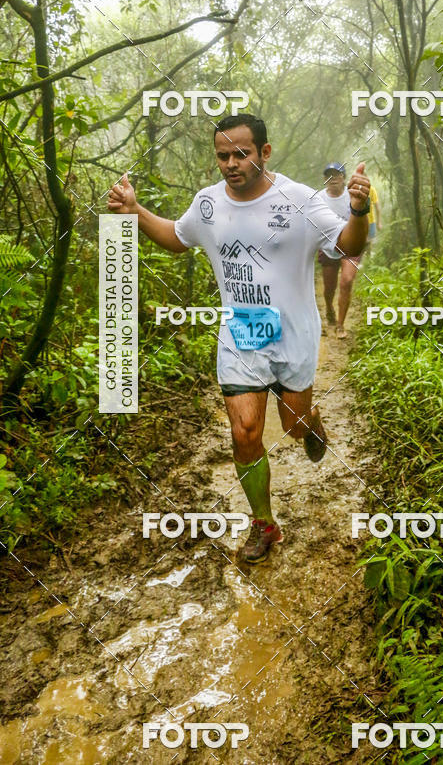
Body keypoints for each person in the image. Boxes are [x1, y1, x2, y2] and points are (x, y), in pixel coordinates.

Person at [107, 114, 371, 564]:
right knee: (244, 432)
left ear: (264, 152)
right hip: (241, 333)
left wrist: (359, 211)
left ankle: (310, 419)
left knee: (292, 427)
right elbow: (177, 236)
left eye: (241, 154)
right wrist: (135, 211)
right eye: (223, 156)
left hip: (294, 333)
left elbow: (348, 245)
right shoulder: (208, 204)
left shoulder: (300, 200)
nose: (231, 163)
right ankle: (264, 524)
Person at [317, 161, 371, 339]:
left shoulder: (352, 195)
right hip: (328, 246)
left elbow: (362, 216)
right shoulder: (318, 198)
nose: (333, 178)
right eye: (329, 175)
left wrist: (365, 236)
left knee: (347, 281)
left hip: (350, 245)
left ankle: (340, 325)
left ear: (343, 178)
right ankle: (329, 309)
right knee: (329, 288)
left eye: (337, 174)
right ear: (325, 179)